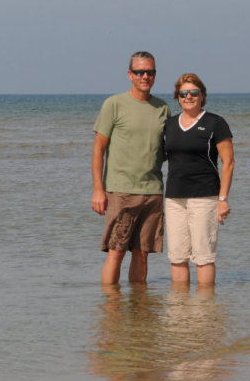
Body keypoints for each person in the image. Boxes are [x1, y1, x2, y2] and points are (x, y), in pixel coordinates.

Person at [91, 51, 171, 285]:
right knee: (116, 251)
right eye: (140, 72)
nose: (145, 76)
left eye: (150, 72)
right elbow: (98, 149)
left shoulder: (163, 108)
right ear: (130, 74)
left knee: (142, 253)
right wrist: (98, 190)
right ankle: (111, 309)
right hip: (122, 190)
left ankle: (139, 311)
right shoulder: (114, 104)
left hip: (153, 190)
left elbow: (165, 149)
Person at [163, 73, 235, 287]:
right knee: (177, 257)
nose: (188, 97)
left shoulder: (215, 123)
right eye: (183, 93)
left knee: (203, 258)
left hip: (205, 197)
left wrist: (223, 199)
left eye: (194, 92)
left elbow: (228, 163)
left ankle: (205, 313)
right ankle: (180, 313)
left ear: (202, 95)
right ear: (177, 97)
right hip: (174, 198)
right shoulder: (169, 125)